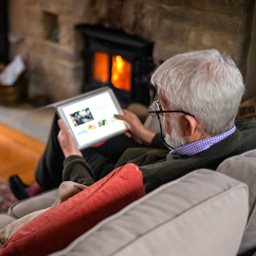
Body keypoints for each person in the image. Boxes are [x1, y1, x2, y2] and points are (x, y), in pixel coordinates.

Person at [9, 49, 256, 198]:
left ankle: (40, 187)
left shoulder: (154, 181)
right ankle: (41, 184)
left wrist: (73, 156)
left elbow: (88, 197)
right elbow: (199, 145)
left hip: (115, 174)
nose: (154, 111)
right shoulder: (247, 134)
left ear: (188, 126)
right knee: (71, 120)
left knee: (65, 124)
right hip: (145, 154)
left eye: (161, 107)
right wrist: (146, 135)